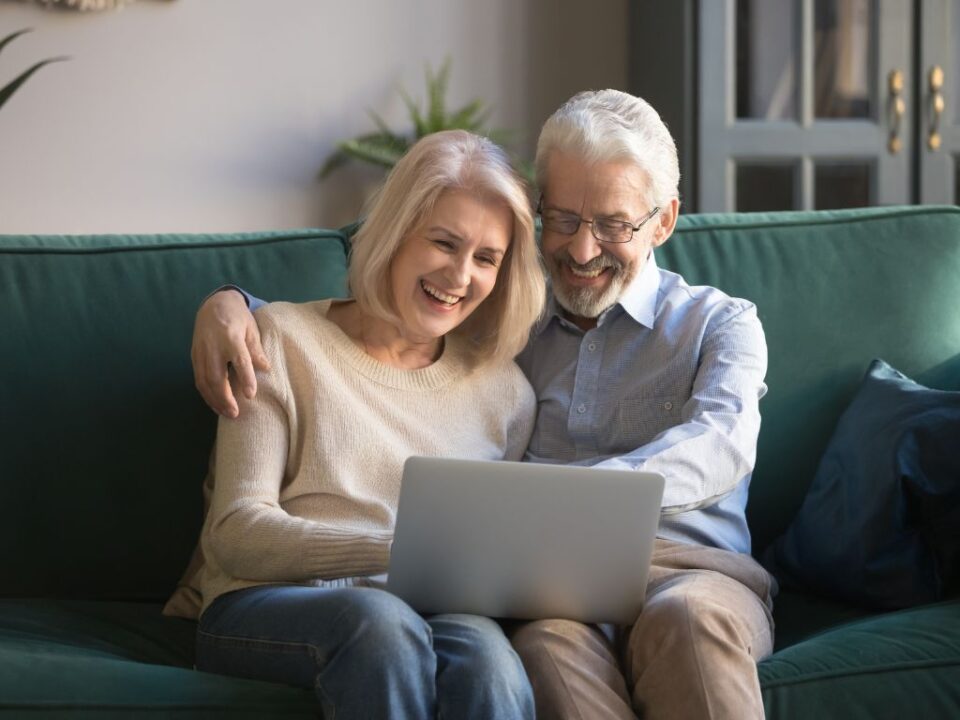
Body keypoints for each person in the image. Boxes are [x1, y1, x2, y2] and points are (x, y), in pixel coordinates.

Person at [191, 91, 775, 720]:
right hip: (554, 596)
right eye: (565, 220)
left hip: (686, 575)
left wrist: (585, 500)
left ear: (661, 222)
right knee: (541, 649)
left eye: (613, 224)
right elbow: (355, 339)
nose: (582, 252)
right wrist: (230, 303)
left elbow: (725, 442)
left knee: (677, 621)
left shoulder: (717, 325)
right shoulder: (509, 341)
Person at [166, 129, 546, 720]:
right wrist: (391, 552)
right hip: (263, 606)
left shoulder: (507, 396)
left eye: (486, 258)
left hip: (425, 614)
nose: (460, 275)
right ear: (395, 234)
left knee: (490, 660)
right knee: (380, 623)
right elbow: (235, 532)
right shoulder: (280, 341)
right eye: (444, 242)